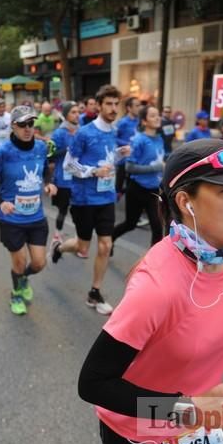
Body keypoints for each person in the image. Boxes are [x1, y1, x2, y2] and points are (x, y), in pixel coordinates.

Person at [78, 138, 223, 444]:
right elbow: (93, 384)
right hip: (140, 436)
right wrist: (189, 409)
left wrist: (216, 349)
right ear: (187, 202)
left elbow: (197, 316)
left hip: (200, 429)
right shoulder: (156, 287)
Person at [51, 85, 131, 315]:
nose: (113, 108)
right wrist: (92, 172)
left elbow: (107, 160)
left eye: (116, 104)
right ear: (98, 105)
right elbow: (68, 165)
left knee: (106, 244)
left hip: (106, 197)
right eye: (109, 104)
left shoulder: (114, 132)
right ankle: (59, 246)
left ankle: (95, 292)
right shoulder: (84, 133)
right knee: (81, 245)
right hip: (84, 199)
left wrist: (118, 154)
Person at [0, 106, 57, 315]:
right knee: (19, 260)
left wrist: (49, 183)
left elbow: (44, 171)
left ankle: (23, 278)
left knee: (39, 263)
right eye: (22, 124)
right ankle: (16, 292)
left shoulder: (41, 148)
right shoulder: (3, 151)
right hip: (12, 217)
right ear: (13, 126)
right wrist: (0, 203)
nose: (27, 129)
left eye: (31, 124)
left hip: (36, 216)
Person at [112, 105, 166, 250]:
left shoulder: (160, 139)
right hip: (137, 189)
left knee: (157, 227)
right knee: (130, 224)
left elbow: (160, 160)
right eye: (153, 116)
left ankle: (153, 262)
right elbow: (129, 167)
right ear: (144, 121)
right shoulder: (138, 140)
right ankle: (110, 239)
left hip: (154, 191)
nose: (157, 118)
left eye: (158, 115)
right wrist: (157, 167)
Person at [49, 101, 79, 243]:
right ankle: (57, 235)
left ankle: (79, 238)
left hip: (79, 177)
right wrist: (67, 150)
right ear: (66, 115)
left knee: (79, 209)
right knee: (63, 209)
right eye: (73, 112)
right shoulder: (59, 133)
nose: (77, 115)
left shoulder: (81, 131)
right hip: (63, 178)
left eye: (78, 112)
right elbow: (50, 155)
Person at [115, 97, 140, 199]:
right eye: (137, 106)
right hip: (123, 159)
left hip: (136, 159)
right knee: (119, 184)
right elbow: (114, 137)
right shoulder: (122, 122)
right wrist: (127, 144)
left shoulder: (140, 122)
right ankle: (116, 196)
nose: (139, 108)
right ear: (129, 108)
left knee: (133, 184)